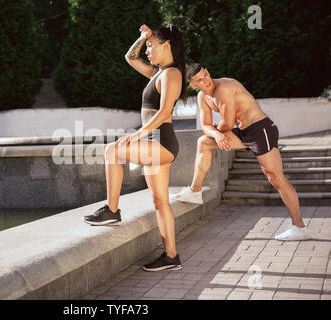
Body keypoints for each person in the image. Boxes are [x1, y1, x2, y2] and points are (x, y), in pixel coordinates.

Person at [82, 24, 187, 271]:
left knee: (113, 150)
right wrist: (142, 37)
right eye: (147, 46)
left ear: (167, 45)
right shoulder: (156, 74)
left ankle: (112, 209)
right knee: (160, 202)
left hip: (162, 142)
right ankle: (171, 256)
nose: (148, 50)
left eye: (152, 45)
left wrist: (137, 134)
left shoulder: (172, 74)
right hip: (155, 142)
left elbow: (163, 114)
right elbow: (130, 57)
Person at [170, 63, 311, 241]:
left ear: (207, 71)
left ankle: (300, 227)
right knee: (204, 142)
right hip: (244, 133)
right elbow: (206, 126)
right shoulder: (202, 97)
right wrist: (216, 134)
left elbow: (227, 124)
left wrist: (218, 132)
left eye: (205, 74)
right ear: (193, 85)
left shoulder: (224, 87)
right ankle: (195, 190)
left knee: (275, 177)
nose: (206, 80)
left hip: (261, 130)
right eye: (199, 80)